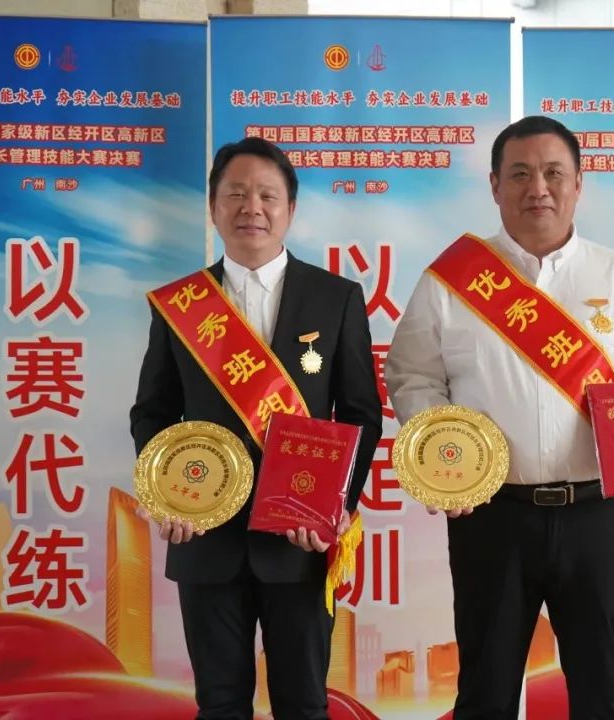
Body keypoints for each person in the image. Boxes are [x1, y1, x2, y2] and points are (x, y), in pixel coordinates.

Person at [385, 115, 614, 720]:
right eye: (520, 174)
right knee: (485, 695)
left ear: (579, 184)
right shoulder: (450, 282)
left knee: (604, 696)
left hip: (599, 514)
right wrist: (447, 460)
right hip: (492, 517)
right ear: (495, 185)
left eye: (554, 173)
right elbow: (412, 376)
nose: (539, 189)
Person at [130, 137, 383, 720]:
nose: (253, 208)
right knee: (219, 705)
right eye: (236, 194)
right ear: (213, 207)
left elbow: (361, 413)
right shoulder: (182, 305)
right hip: (204, 537)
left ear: (290, 209)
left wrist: (333, 506)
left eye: (268, 196)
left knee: (303, 704)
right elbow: (152, 413)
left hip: (299, 539)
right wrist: (166, 494)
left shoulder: (336, 298)